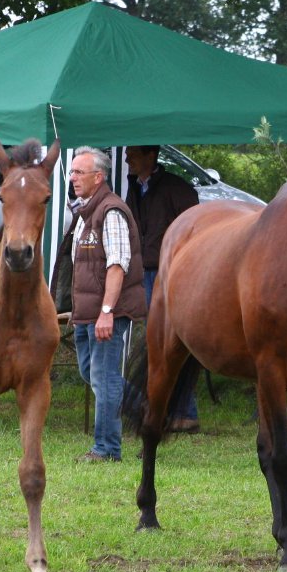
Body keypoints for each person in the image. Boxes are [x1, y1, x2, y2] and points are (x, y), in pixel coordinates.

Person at [70, 146, 146, 463]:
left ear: (98, 177)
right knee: (93, 374)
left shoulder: (111, 211)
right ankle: (147, 409)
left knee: (104, 376)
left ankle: (106, 449)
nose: (72, 178)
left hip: (106, 314)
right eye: (71, 172)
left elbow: (117, 265)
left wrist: (107, 312)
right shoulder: (87, 210)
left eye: (78, 172)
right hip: (86, 312)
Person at [125, 144, 202, 433]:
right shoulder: (135, 187)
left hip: (167, 272)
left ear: (150, 156)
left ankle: (184, 410)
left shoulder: (176, 189)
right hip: (143, 270)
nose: (126, 158)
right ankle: (170, 408)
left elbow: (195, 227)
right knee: (157, 342)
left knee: (171, 342)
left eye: (133, 154)